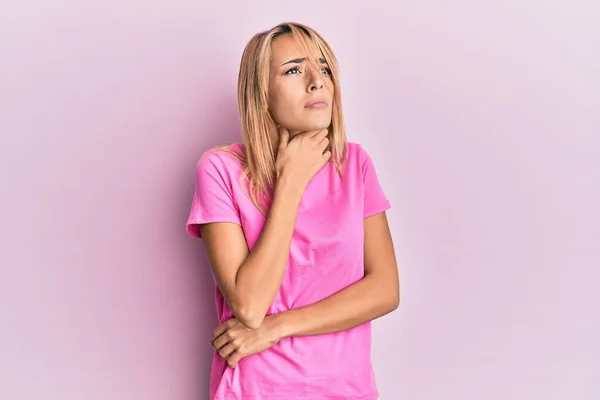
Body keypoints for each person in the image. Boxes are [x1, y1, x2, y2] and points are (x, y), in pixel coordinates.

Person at [186, 21, 400, 400]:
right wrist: (290, 182)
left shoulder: (354, 165)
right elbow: (250, 306)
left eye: (325, 68)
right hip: (257, 390)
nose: (316, 81)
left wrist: (277, 327)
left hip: (347, 390)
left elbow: (384, 289)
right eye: (294, 70)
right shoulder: (220, 170)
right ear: (261, 94)